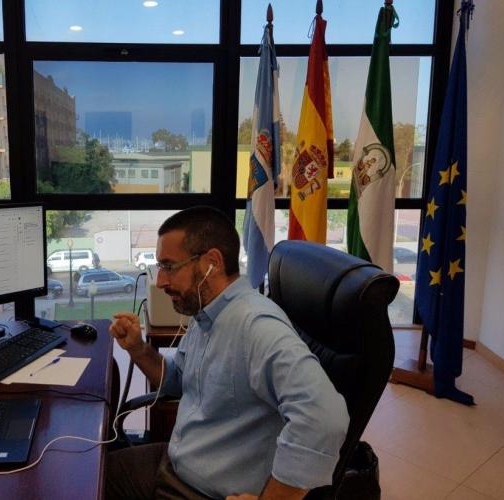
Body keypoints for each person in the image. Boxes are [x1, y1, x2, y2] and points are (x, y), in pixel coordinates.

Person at [107, 206, 349, 500]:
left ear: (212, 262)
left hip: (201, 491)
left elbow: (325, 418)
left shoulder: (256, 326)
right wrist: (137, 349)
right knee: (86, 471)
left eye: (169, 267)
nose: (161, 282)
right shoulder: (207, 313)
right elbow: (179, 379)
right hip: (177, 463)